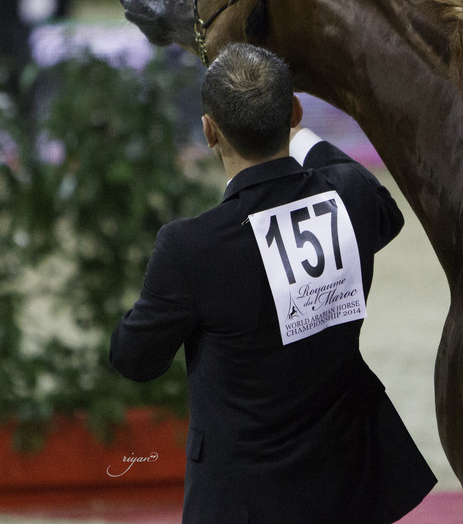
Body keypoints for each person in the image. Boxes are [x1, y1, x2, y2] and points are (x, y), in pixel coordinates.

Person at [110, 43, 436, 524]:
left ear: (209, 131)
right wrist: (298, 133)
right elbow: (380, 205)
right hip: (349, 486)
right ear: (294, 114)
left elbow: (133, 360)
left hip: (242, 503)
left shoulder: (190, 248)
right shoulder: (351, 198)